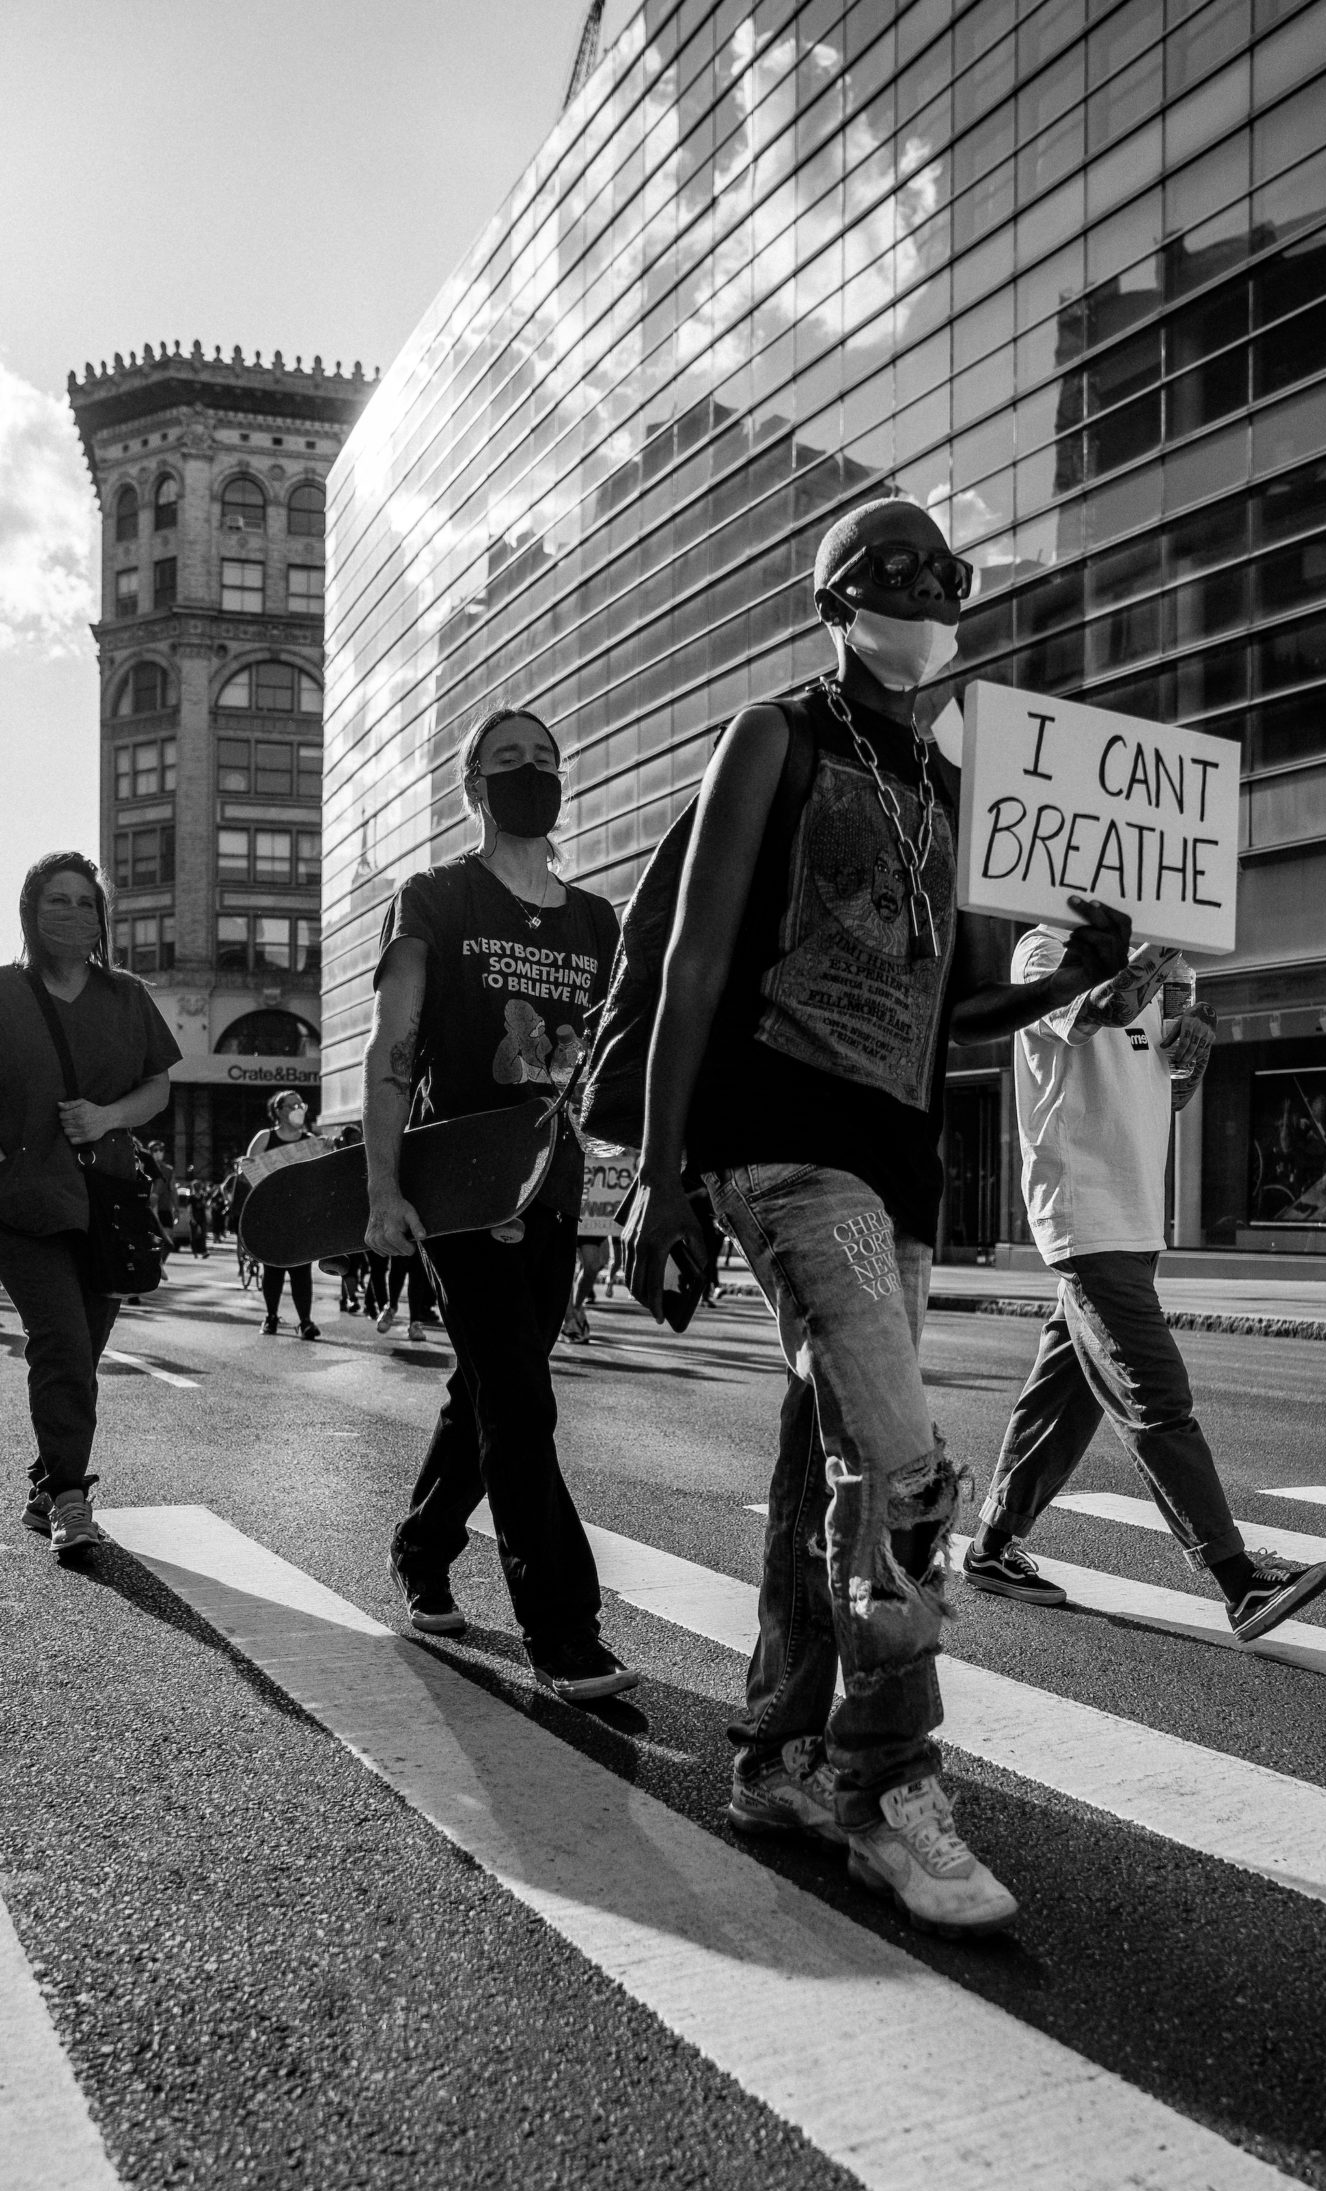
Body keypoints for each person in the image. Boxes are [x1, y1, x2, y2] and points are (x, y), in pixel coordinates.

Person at [628, 495, 1133, 1936]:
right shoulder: (774, 738)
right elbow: (697, 954)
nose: (923, 592)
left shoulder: (946, 789)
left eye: (943, 575)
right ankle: (885, 1783)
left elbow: (948, 1003)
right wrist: (660, 1176)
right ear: (832, 601)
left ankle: (776, 1754)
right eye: (890, 571)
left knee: (826, 1465)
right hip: (780, 1147)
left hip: (895, 1166)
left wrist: (1059, 979)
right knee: (905, 1465)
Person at [363, 702, 633, 1710]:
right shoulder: (432, 897)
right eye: (509, 761)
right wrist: (383, 1188)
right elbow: (393, 1049)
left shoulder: (594, 921)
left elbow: (612, 1064)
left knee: (486, 1387)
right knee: (520, 1399)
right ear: (472, 787)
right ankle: (561, 1626)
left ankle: (423, 1546)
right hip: (456, 1194)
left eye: (547, 760)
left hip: (552, 1190)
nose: (532, 774)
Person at [961, 948, 1326, 1638]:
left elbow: (1172, 1089)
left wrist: (1197, 1044)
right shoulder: (1047, 950)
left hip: (1134, 1215)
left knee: (1063, 1397)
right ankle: (1238, 1580)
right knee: (1154, 1393)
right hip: (1083, 1209)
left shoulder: (1171, 969)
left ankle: (989, 1547)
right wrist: (1149, 956)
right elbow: (1097, 1011)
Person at [0, 854, 179, 1554]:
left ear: (102, 918)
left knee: (84, 1353)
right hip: (22, 1204)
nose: (71, 914)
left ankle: (49, 1482)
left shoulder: (126, 995)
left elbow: (158, 1087)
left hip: (106, 1201)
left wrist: (106, 1118)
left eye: (84, 903)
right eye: (55, 900)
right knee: (63, 1344)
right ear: (29, 909)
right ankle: (72, 1498)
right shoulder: (5, 993)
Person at [240, 1091, 327, 1338]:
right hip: (271, 1215)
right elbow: (248, 1171)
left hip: (300, 1216)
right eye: (293, 1105)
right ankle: (270, 1317)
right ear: (279, 1110)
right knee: (273, 1269)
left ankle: (306, 1321)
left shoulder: (310, 1140)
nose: (299, 1108)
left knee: (301, 1270)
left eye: (301, 1104)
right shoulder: (265, 1138)